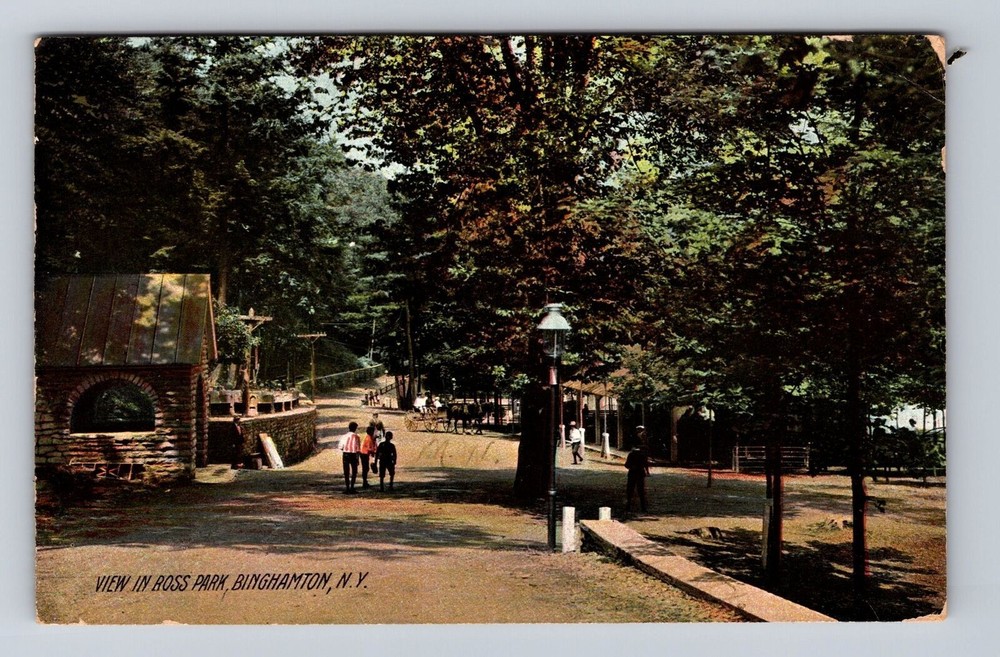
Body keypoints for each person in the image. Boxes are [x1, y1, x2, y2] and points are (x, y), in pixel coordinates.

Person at [624, 443, 651, 514]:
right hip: (640, 474)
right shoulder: (643, 456)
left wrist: (632, 467)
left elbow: (626, 465)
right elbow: (646, 465)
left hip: (632, 474)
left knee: (630, 490)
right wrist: (647, 472)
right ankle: (643, 507)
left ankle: (628, 506)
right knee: (641, 491)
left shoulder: (631, 454)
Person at [340, 421, 362, 494]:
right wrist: (357, 459)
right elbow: (358, 449)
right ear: (355, 428)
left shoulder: (344, 436)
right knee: (354, 472)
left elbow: (341, 447)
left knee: (346, 472)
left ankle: (347, 488)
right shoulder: (357, 437)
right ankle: (352, 487)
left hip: (346, 454)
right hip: (353, 455)